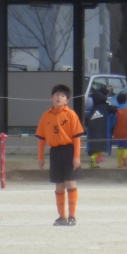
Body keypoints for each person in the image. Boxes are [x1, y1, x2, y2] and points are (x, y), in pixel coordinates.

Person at [35, 84, 84, 227]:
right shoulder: (46, 116)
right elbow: (42, 138)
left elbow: (77, 137)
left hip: (69, 150)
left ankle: (72, 216)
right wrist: (40, 157)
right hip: (55, 151)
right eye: (56, 95)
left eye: (62, 96)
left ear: (67, 100)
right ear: (51, 97)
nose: (59, 98)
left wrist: (77, 156)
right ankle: (62, 216)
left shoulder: (71, 114)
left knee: (70, 182)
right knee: (59, 184)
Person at [85, 85, 112, 168]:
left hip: (92, 131)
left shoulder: (92, 108)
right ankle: (93, 158)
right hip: (102, 131)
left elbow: (87, 120)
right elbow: (115, 110)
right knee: (100, 148)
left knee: (93, 148)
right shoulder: (105, 107)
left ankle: (93, 164)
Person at [111, 92, 127, 168]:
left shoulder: (116, 111)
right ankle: (125, 155)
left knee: (119, 147)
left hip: (118, 132)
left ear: (117, 102)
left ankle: (119, 163)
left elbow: (113, 122)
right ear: (126, 101)